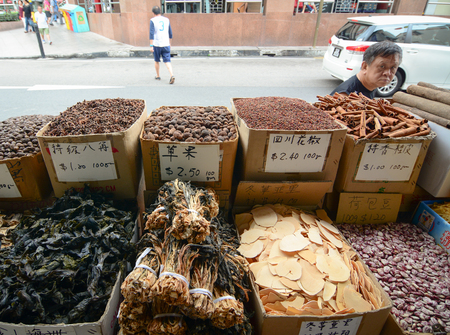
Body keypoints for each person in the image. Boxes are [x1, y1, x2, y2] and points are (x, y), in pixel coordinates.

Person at [330, 41, 402, 99]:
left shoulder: (372, 85)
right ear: (365, 67)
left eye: (393, 67)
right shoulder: (344, 97)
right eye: (382, 66)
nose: (387, 73)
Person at [149, 6, 175, 84]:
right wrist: (170, 43)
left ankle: (158, 75)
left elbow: (151, 33)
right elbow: (170, 33)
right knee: (167, 61)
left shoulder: (152, 20)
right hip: (166, 43)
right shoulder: (167, 20)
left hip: (157, 44)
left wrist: (151, 45)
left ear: (153, 13)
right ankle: (172, 75)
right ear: (160, 12)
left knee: (156, 60)